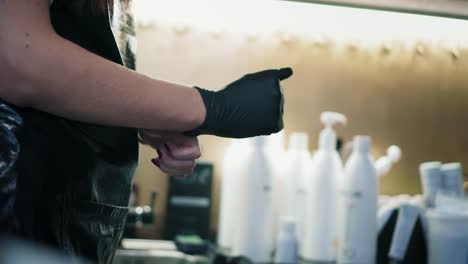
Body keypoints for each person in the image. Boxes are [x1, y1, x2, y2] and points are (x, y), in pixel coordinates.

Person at [0, 0, 293, 263]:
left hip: (66, 228)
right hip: (18, 219)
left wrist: (150, 122)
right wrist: (212, 107)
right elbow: (15, 57)